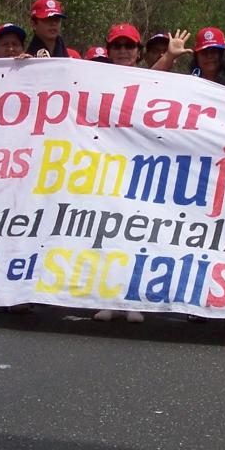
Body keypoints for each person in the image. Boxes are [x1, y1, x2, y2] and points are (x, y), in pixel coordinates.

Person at [95, 23, 145, 324]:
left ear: (138, 52)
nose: (123, 51)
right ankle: (106, 298)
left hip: (141, 167)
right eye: (117, 46)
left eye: (129, 46)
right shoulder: (94, 77)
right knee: (105, 233)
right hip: (104, 166)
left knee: (137, 233)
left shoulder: (152, 78)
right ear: (109, 50)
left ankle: (134, 299)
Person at [151, 26, 225, 89]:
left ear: (223, 55)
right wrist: (169, 56)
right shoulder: (187, 84)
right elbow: (149, 81)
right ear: (197, 56)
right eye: (204, 52)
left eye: (214, 52)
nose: (209, 56)